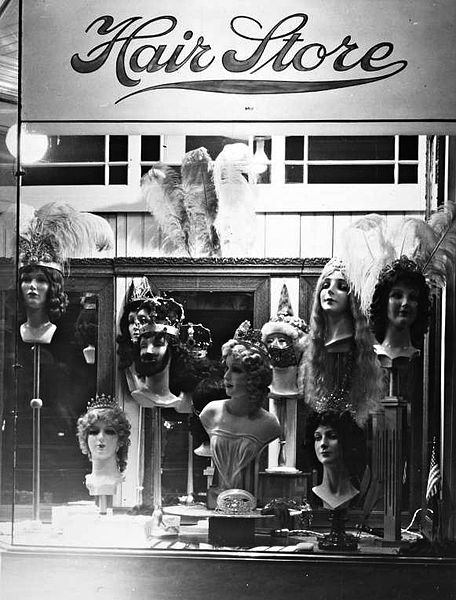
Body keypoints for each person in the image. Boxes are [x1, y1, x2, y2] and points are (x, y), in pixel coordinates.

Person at [200, 321, 281, 492]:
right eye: (227, 368)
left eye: (236, 370)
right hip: (218, 500)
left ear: (254, 377)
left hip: (250, 498)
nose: (227, 376)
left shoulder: (270, 424)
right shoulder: (211, 412)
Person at [300, 258, 383, 425]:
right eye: (325, 285)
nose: (330, 291)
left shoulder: (359, 349)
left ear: (352, 298)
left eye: (341, 287)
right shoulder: (313, 348)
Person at [370, 256, 431, 362]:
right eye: (397, 295)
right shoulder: (374, 354)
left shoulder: (417, 355)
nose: (405, 303)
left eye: (412, 297)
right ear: (384, 302)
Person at [306, 410, 366, 510]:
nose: (323, 444)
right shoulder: (308, 498)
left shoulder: (361, 498)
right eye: (318, 438)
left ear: (347, 441)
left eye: (332, 436)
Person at [77, 394, 131, 496]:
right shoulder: (88, 480)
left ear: (120, 440)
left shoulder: (122, 481)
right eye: (94, 432)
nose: (101, 437)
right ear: (85, 439)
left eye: (109, 432)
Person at [19, 263, 67, 344]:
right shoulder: (11, 334)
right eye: (26, 279)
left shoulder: (63, 336)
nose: (32, 286)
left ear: (53, 288)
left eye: (41, 280)